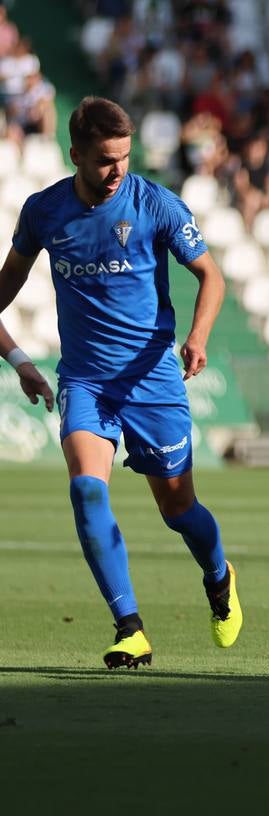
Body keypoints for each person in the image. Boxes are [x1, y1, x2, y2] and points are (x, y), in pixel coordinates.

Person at [0, 96, 241, 669]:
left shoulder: (155, 203)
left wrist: (199, 336)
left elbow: (210, 276)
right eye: (106, 160)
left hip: (152, 378)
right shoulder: (43, 212)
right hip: (85, 382)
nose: (117, 172)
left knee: (178, 509)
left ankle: (218, 574)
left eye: (125, 158)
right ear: (76, 153)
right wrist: (20, 362)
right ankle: (129, 627)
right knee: (87, 489)